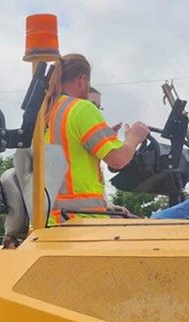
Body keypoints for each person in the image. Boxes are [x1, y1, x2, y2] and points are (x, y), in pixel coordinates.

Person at [43, 54, 150, 224]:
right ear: (83, 80)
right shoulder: (81, 108)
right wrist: (133, 138)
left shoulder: (44, 113)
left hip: (47, 222)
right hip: (80, 221)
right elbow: (118, 159)